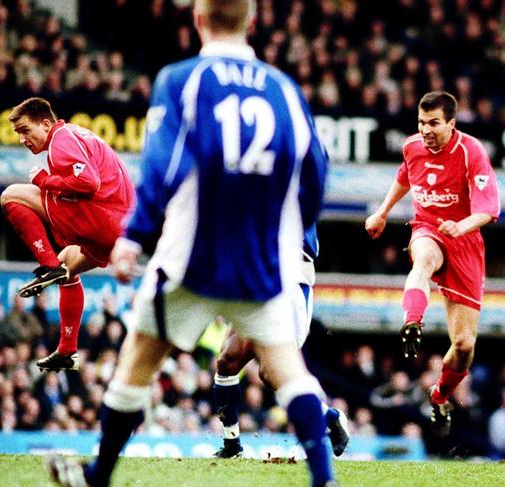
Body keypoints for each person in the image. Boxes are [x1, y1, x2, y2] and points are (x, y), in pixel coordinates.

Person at [48, 1, 335, 486]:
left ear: (198, 20)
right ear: (252, 21)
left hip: (191, 257)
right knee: (289, 371)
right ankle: (325, 477)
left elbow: (163, 164)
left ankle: (100, 474)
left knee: (137, 358)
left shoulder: (181, 79)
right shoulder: (284, 89)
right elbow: (315, 174)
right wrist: (288, 236)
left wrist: (134, 238)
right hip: (260, 264)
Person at [365, 91, 500, 437]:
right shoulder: (412, 146)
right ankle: (412, 321)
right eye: (422, 123)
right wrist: (382, 212)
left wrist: (462, 225)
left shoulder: (471, 151)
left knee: (465, 345)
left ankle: (439, 396)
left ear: (451, 124)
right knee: (422, 259)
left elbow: (490, 209)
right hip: (428, 228)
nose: (426, 130)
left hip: (465, 241)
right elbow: (405, 175)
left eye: (434, 123)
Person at [1, 97, 135, 372]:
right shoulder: (76, 135)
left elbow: (88, 182)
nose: (22, 139)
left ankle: (48, 266)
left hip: (100, 217)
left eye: (25, 130)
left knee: (11, 195)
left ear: (46, 123)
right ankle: (66, 350)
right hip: (118, 229)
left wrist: (43, 180)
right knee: (67, 267)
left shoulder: (61, 138)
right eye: (19, 134)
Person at [212, 224, 349, 458]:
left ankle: (330, 418)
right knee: (228, 360)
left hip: (290, 279)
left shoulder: (291, 189)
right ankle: (232, 445)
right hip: (256, 276)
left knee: (271, 372)